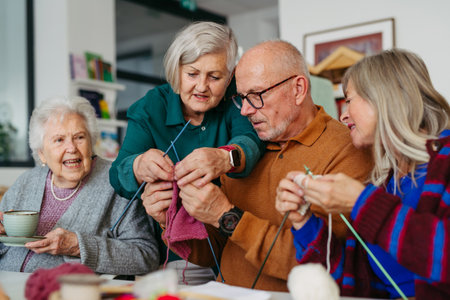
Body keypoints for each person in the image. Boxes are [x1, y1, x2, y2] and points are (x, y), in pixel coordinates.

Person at [170, 40, 373, 291]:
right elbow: (211, 255)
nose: (244, 110)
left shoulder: (347, 150)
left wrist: (227, 217)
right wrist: (166, 215)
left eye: (255, 96)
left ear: (298, 89)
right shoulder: (243, 153)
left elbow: (322, 267)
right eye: (241, 98)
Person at [275, 49, 450, 299]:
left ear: (385, 99)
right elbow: (354, 280)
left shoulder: (445, 160)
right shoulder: (384, 182)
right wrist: (302, 220)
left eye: (349, 100)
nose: (343, 115)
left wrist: (362, 202)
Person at [109, 21, 265, 284]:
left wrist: (225, 157)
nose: (202, 86)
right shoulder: (151, 106)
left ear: (229, 76)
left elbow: (251, 141)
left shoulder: (235, 99)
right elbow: (117, 173)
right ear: (176, 70)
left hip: (229, 244)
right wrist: (139, 165)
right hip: (164, 252)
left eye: (214, 77)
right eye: (192, 74)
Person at [0, 96, 159, 276]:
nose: (71, 148)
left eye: (79, 137)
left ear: (91, 142)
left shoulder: (117, 182)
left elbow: (146, 256)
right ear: (42, 154)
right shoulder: (26, 182)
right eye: (59, 140)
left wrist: (78, 246)